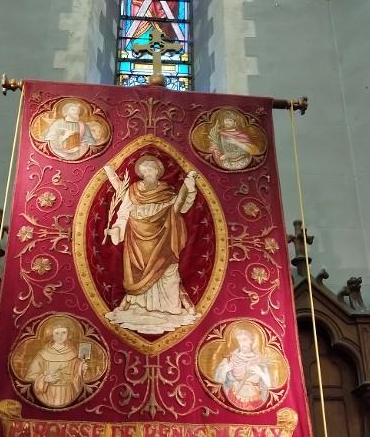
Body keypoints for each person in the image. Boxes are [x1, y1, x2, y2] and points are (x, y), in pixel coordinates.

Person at [103, 155, 198, 334]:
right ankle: (138, 308)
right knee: (139, 272)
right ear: (140, 173)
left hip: (164, 236)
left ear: (158, 171)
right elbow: (123, 211)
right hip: (137, 238)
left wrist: (189, 189)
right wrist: (116, 229)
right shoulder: (133, 190)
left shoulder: (167, 190)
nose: (149, 172)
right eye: (145, 169)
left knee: (168, 271)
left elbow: (180, 207)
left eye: (152, 169)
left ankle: (169, 309)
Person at [25, 324, 88, 407]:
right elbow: (30, 376)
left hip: (68, 392)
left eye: (64, 332)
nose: (60, 336)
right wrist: (45, 379)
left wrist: (81, 369)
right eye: (57, 333)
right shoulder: (42, 354)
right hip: (48, 393)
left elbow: (78, 376)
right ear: (52, 335)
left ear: (68, 334)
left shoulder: (74, 353)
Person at [214, 327, 272, 410]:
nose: (242, 343)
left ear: (251, 341)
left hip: (255, 397)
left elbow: (270, 385)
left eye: (245, 340)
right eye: (240, 341)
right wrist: (225, 370)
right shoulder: (231, 358)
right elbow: (217, 380)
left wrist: (261, 373)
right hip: (234, 396)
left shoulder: (260, 360)